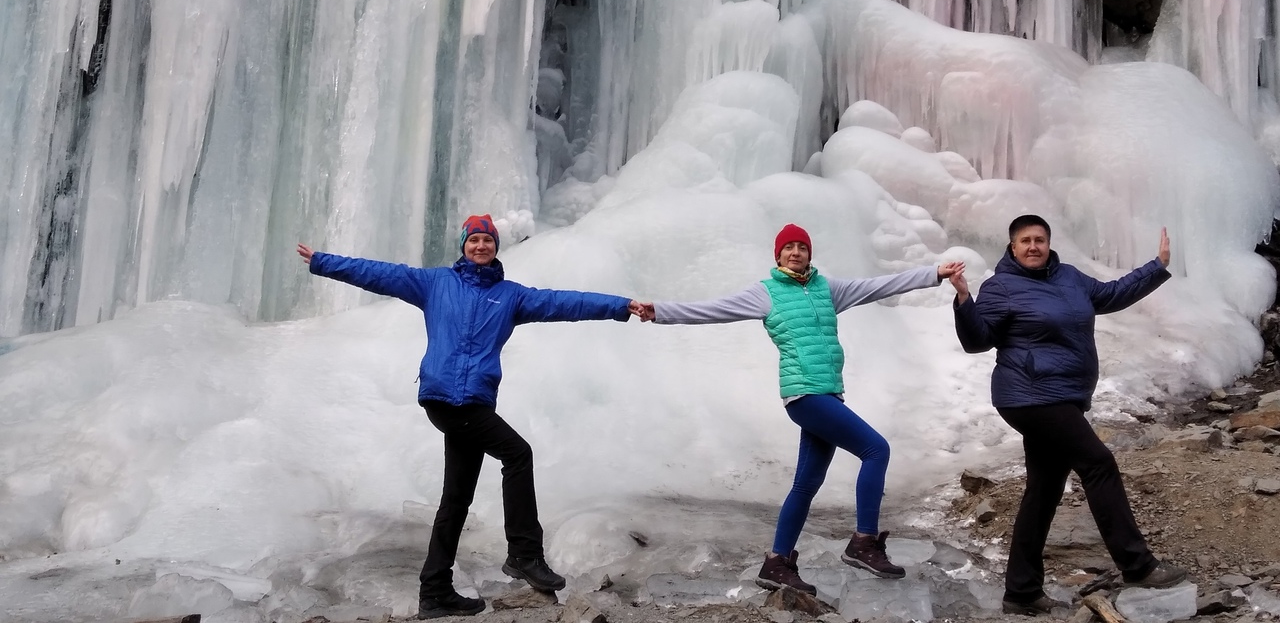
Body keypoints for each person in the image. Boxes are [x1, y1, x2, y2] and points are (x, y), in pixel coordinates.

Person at [298, 214, 647, 620]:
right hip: (445, 398)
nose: (481, 246)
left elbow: (565, 302)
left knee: (457, 498)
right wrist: (323, 261)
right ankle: (523, 554)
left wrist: (622, 306)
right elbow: (378, 274)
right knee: (517, 454)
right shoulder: (435, 283)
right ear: (463, 245)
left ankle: (435, 592)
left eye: (487, 241)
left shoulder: (511, 296)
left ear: (496, 248)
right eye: (474, 240)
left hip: (476, 403)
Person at [633, 223, 965, 595]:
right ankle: (863, 543)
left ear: (809, 254)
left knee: (806, 484)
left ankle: (776, 563)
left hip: (828, 394)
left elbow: (877, 286)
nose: (795, 252)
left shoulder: (828, 289)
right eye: (788, 248)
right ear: (777, 256)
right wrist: (659, 311)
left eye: (801, 247)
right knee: (876, 450)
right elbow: (714, 309)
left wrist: (933, 273)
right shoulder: (766, 294)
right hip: (805, 396)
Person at [950, 214, 1188, 616]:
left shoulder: (1071, 278)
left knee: (1044, 489)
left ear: (1048, 243)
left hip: (1063, 395)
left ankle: (1022, 592)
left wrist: (1156, 266)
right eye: (1024, 240)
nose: (1032, 246)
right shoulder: (1001, 287)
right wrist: (963, 300)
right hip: (1030, 395)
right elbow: (977, 341)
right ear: (1012, 247)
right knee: (1098, 463)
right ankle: (1137, 565)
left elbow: (1111, 294)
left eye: (1039, 239)